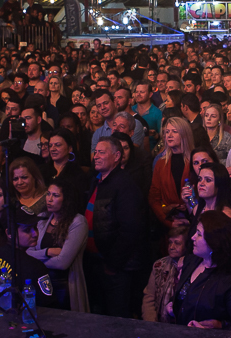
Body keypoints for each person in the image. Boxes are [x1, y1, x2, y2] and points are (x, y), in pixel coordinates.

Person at [87, 137, 148, 318]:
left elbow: (130, 230)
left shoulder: (125, 186)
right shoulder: (97, 180)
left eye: (102, 152)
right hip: (96, 263)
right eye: (95, 152)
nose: (96, 156)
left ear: (116, 156)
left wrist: (112, 264)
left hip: (116, 267)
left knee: (116, 319)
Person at [165, 211, 231, 331]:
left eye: (199, 234)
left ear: (214, 241)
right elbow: (185, 295)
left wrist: (220, 326)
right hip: (181, 336)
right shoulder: (191, 262)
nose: (192, 238)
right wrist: (173, 304)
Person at [27, 179, 90, 311]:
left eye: (55, 196)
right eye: (48, 194)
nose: (49, 199)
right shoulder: (43, 218)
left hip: (65, 284)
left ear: (66, 199)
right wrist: (47, 252)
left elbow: (62, 263)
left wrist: (35, 260)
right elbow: (27, 252)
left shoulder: (77, 222)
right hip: (42, 282)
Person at [148, 116, 195, 230]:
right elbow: (154, 198)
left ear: (184, 135)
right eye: (167, 132)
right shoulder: (160, 163)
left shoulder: (196, 161)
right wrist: (166, 216)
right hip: (169, 222)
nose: (169, 135)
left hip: (193, 219)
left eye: (174, 131)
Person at [143, 226, 189, 323]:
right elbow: (149, 297)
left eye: (177, 243)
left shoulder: (192, 268)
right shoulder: (159, 265)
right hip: (160, 323)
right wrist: (151, 323)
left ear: (187, 246)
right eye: (170, 242)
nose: (171, 247)